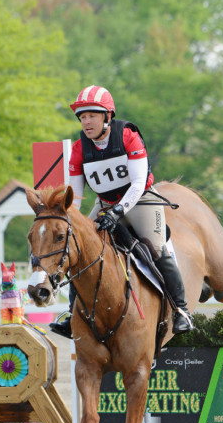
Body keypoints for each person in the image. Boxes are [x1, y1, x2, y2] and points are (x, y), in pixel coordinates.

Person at [49, 85, 193, 339]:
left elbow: (138, 184)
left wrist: (118, 211)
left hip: (140, 200)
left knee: (155, 248)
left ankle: (181, 310)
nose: (86, 121)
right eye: (82, 117)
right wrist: (69, 219)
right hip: (104, 203)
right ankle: (72, 313)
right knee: (77, 246)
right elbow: (77, 195)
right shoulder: (80, 149)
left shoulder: (127, 135)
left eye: (91, 115)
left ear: (107, 116)